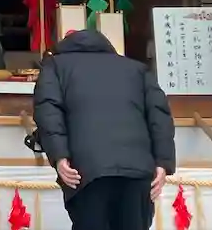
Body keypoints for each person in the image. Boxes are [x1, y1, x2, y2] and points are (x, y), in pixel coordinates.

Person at [31, 28, 175, 230]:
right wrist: (162, 162)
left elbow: (48, 111)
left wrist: (59, 156)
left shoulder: (55, 66)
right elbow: (159, 116)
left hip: (87, 169)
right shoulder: (137, 68)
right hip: (138, 169)